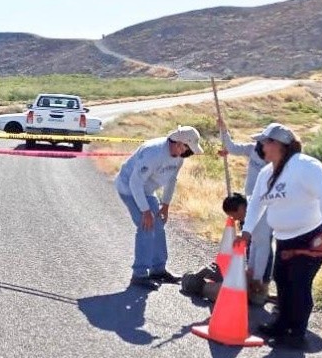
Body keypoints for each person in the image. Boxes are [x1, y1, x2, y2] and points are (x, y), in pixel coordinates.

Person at [237, 123, 322, 349]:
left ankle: (297, 333)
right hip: (286, 238)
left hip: (315, 236)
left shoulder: (305, 166)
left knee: (298, 282)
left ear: (279, 145)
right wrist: (246, 232)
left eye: (265, 143)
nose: (261, 147)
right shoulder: (266, 173)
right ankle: (282, 323)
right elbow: (255, 204)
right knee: (282, 279)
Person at [116, 125, 204, 290]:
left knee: (158, 226)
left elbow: (171, 180)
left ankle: (158, 270)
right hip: (128, 188)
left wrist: (165, 205)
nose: (189, 154)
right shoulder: (154, 153)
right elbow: (135, 183)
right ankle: (139, 274)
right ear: (179, 143)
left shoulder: (179, 157)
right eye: (189, 150)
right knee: (146, 226)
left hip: (147, 190)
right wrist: (145, 211)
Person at [180, 194, 270, 305]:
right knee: (229, 291)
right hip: (238, 281)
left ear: (241, 208)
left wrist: (256, 277)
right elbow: (255, 245)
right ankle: (197, 281)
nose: (236, 220)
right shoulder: (252, 209)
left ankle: (202, 279)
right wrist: (252, 272)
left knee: (236, 289)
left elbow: (262, 248)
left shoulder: (260, 218)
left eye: (235, 216)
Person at [217, 117, 273, 288]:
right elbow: (232, 147)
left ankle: (260, 279)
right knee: (252, 239)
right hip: (249, 201)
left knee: (262, 241)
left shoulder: (274, 161)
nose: (258, 145)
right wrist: (223, 130)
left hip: (265, 203)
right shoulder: (251, 150)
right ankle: (252, 273)